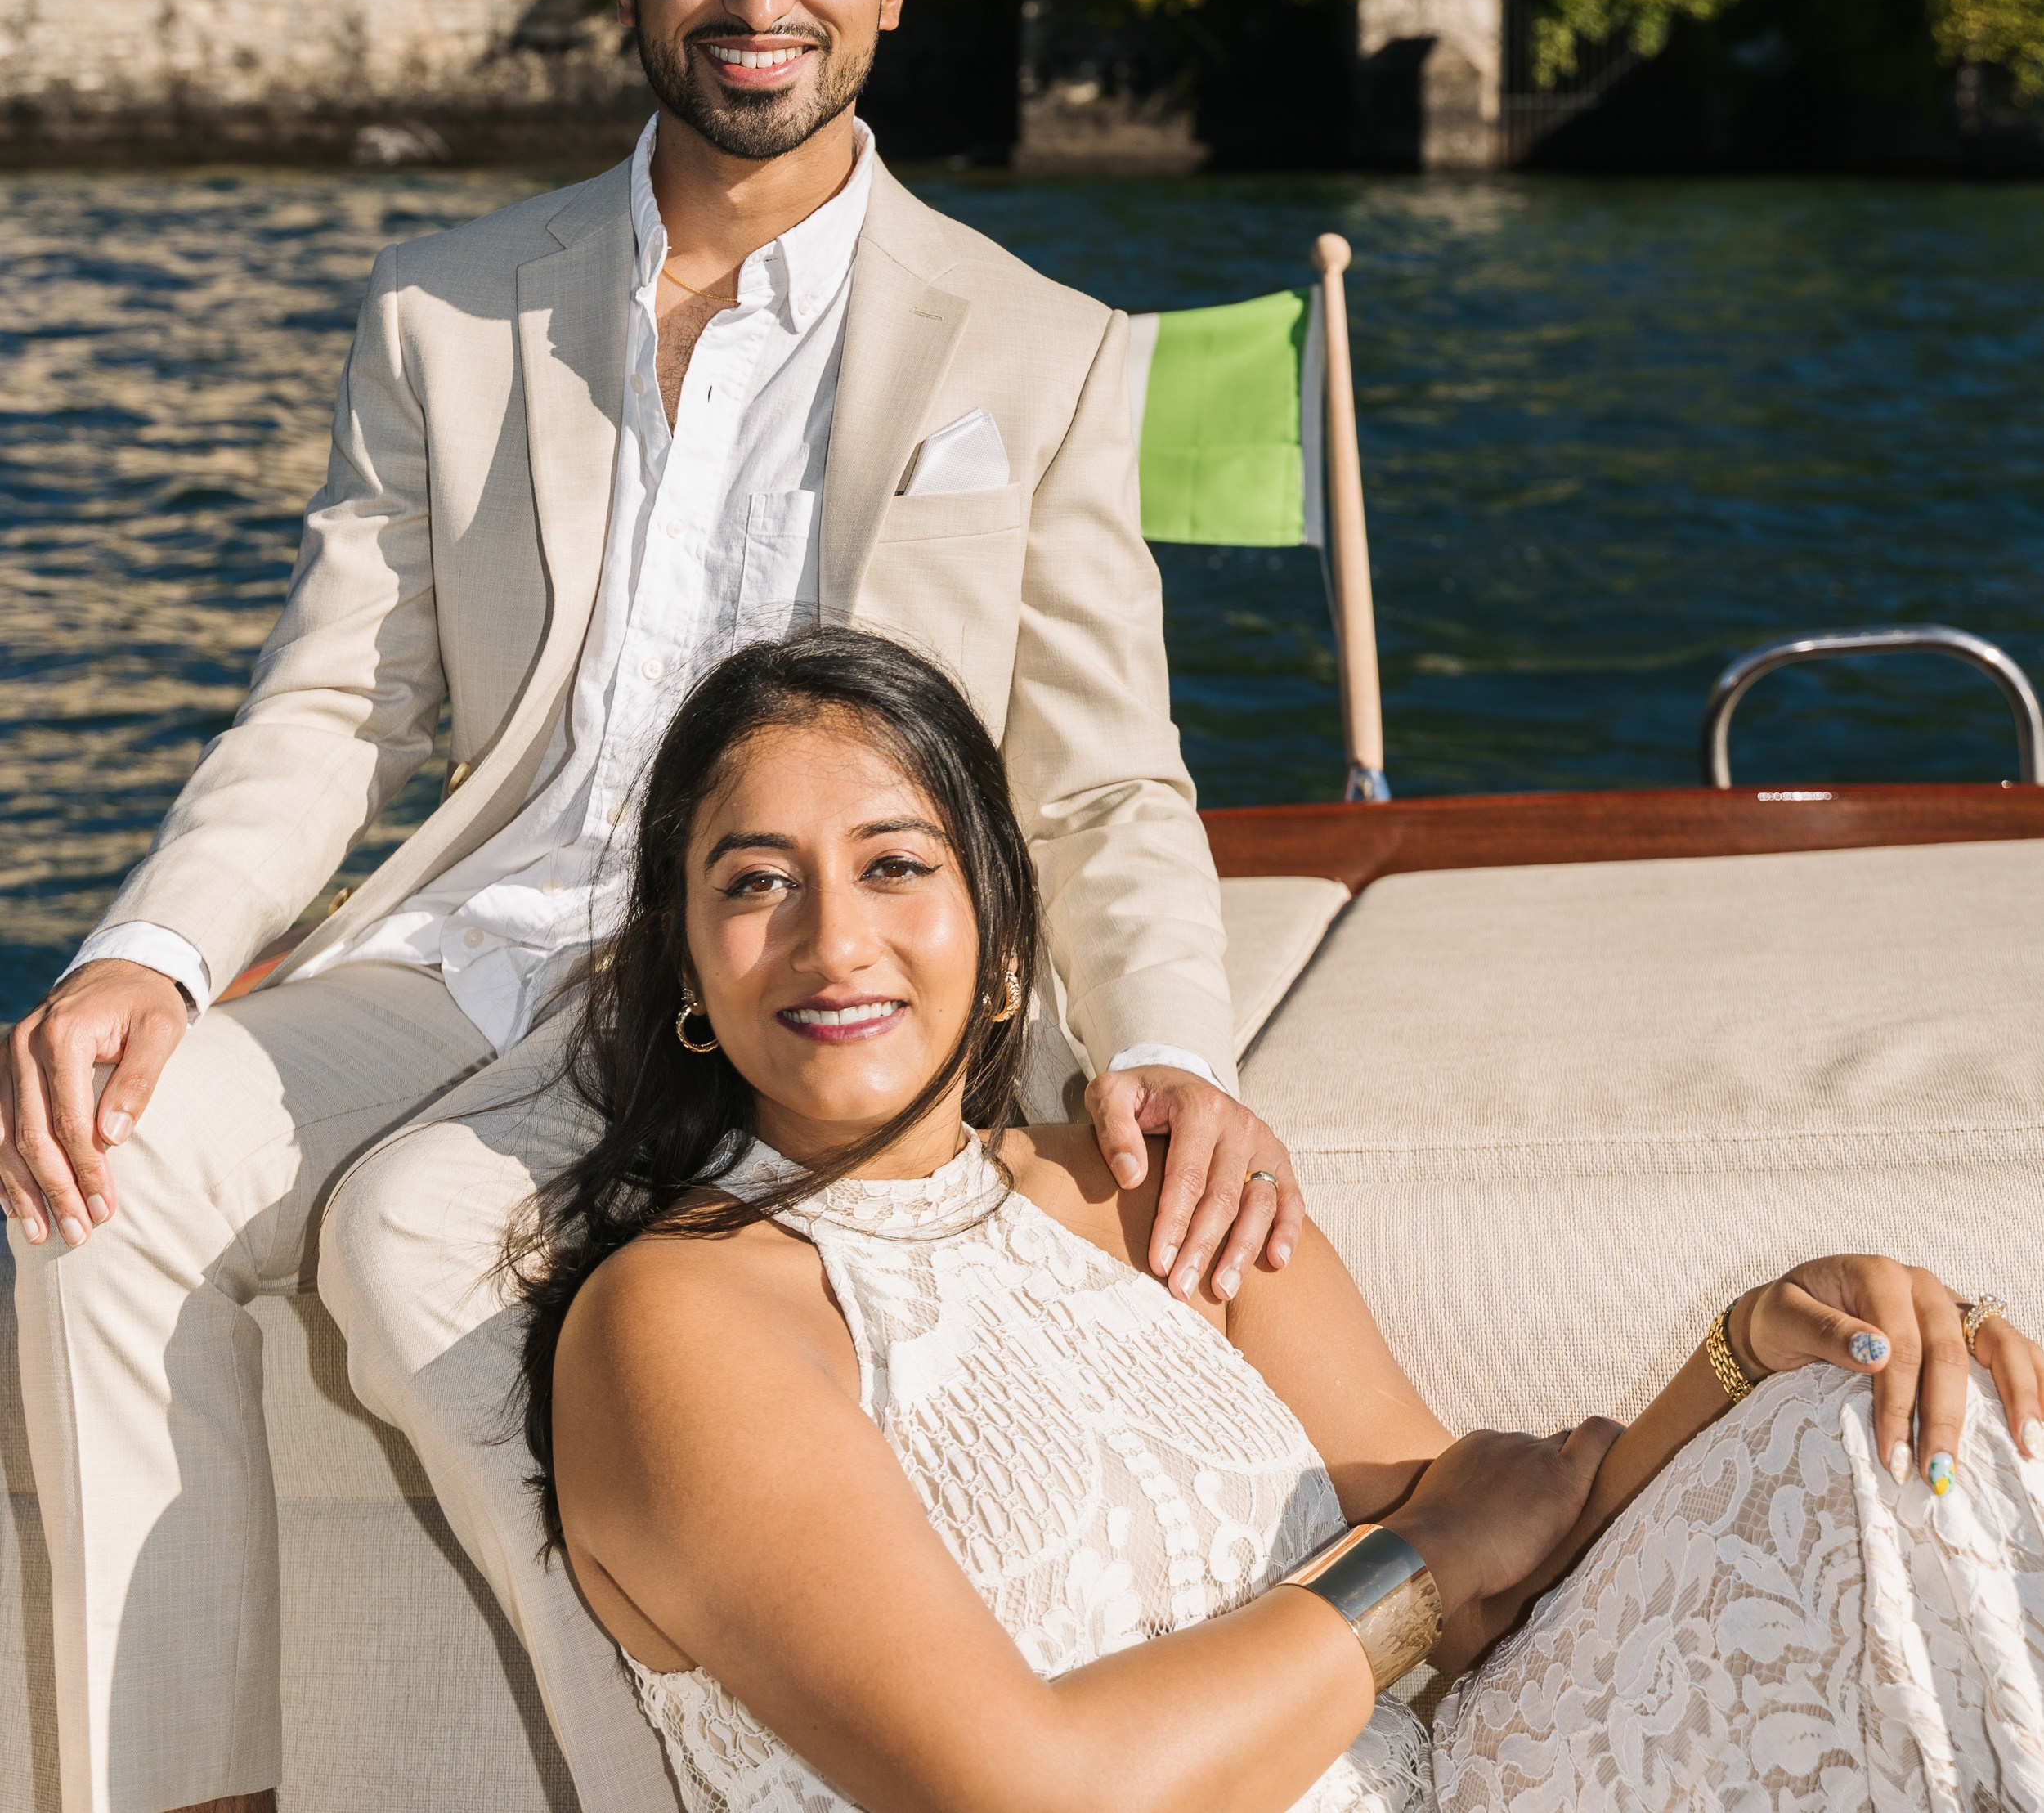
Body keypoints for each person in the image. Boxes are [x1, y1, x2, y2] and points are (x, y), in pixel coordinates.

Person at [1, 0, 1307, 1813]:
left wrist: (1171, 1050)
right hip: (476, 949)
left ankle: (656, 1783)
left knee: (414, 1230)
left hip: (789, 975)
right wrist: (145, 957)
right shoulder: (442, 311)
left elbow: (1099, 780)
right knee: (93, 1164)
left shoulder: (1040, 346)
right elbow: (332, 703)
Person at [527, 624, 2044, 1813]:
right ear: (689, 971)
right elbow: (1028, 1790)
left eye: (895, 865)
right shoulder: (680, 1321)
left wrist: (1754, 1352)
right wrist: (1418, 1557)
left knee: (1892, 1418)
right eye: (757, 883)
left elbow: (1512, 1581)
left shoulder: (1159, 1193)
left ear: (1002, 947)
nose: (834, 937)